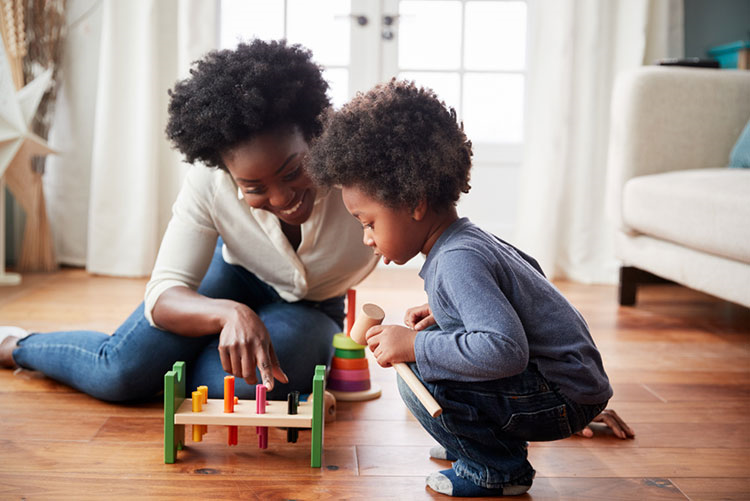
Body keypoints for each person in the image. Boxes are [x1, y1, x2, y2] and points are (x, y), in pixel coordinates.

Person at [0, 40, 378, 401]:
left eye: (293, 171)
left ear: (315, 136)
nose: (281, 199)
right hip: (236, 274)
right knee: (118, 373)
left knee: (237, 387)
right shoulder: (209, 181)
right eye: (253, 186)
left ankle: (170, 361)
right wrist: (228, 313)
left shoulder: (363, 169)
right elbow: (165, 293)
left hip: (311, 305)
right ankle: (15, 346)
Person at [306, 79, 624, 497]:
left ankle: (495, 468)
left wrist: (413, 348)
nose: (366, 237)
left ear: (415, 202)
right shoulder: (467, 240)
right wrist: (447, 310)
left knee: (419, 376)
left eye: (368, 222)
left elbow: (506, 351)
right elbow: (528, 279)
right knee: (438, 337)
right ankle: (478, 441)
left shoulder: (456, 260)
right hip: (570, 384)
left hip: (559, 396)